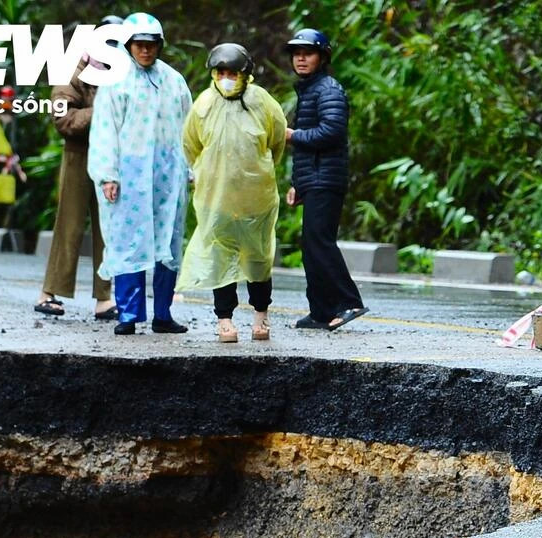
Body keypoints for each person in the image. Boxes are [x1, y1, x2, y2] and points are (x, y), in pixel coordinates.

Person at [88, 12, 192, 335]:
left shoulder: (174, 81)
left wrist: (190, 168)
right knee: (128, 241)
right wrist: (108, 175)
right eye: (139, 45)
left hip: (167, 173)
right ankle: (129, 314)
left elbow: (190, 128)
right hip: (129, 176)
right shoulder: (115, 83)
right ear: (128, 45)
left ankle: (163, 313)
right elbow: (105, 131)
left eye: (151, 45)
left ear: (159, 46)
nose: (145, 51)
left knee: (168, 241)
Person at [179, 43, 286, 342]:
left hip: (256, 199)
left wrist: (257, 172)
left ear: (244, 74)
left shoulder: (262, 102)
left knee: (258, 258)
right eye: (221, 72)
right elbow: (191, 146)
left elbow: (276, 141)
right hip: (218, 199)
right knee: (220, 256)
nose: (226, 77)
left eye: (232, 72)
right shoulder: (204, 105)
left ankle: (261, 317)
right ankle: (224, 320)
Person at [35, 15, 121, 320]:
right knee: (69, 225)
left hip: (114, 159)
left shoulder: (125, 73)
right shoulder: (74, 69)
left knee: (109, 229)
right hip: (79, 154)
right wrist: (101, 113)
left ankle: (105, 298)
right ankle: (49, 293)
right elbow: (62, 118)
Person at [283, 28, 364, 331]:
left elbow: (332, 132)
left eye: (308, 53)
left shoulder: (328, 89)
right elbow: (310, 144)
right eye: (296, 53)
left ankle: (348, 302)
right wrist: (298, 183)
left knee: (320, 243)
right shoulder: (309, 90)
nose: (301, 58)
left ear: (323, 57)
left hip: (326, 178)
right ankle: (320, 311)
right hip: (314, 178)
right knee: (311, 245)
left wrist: (292, 136)